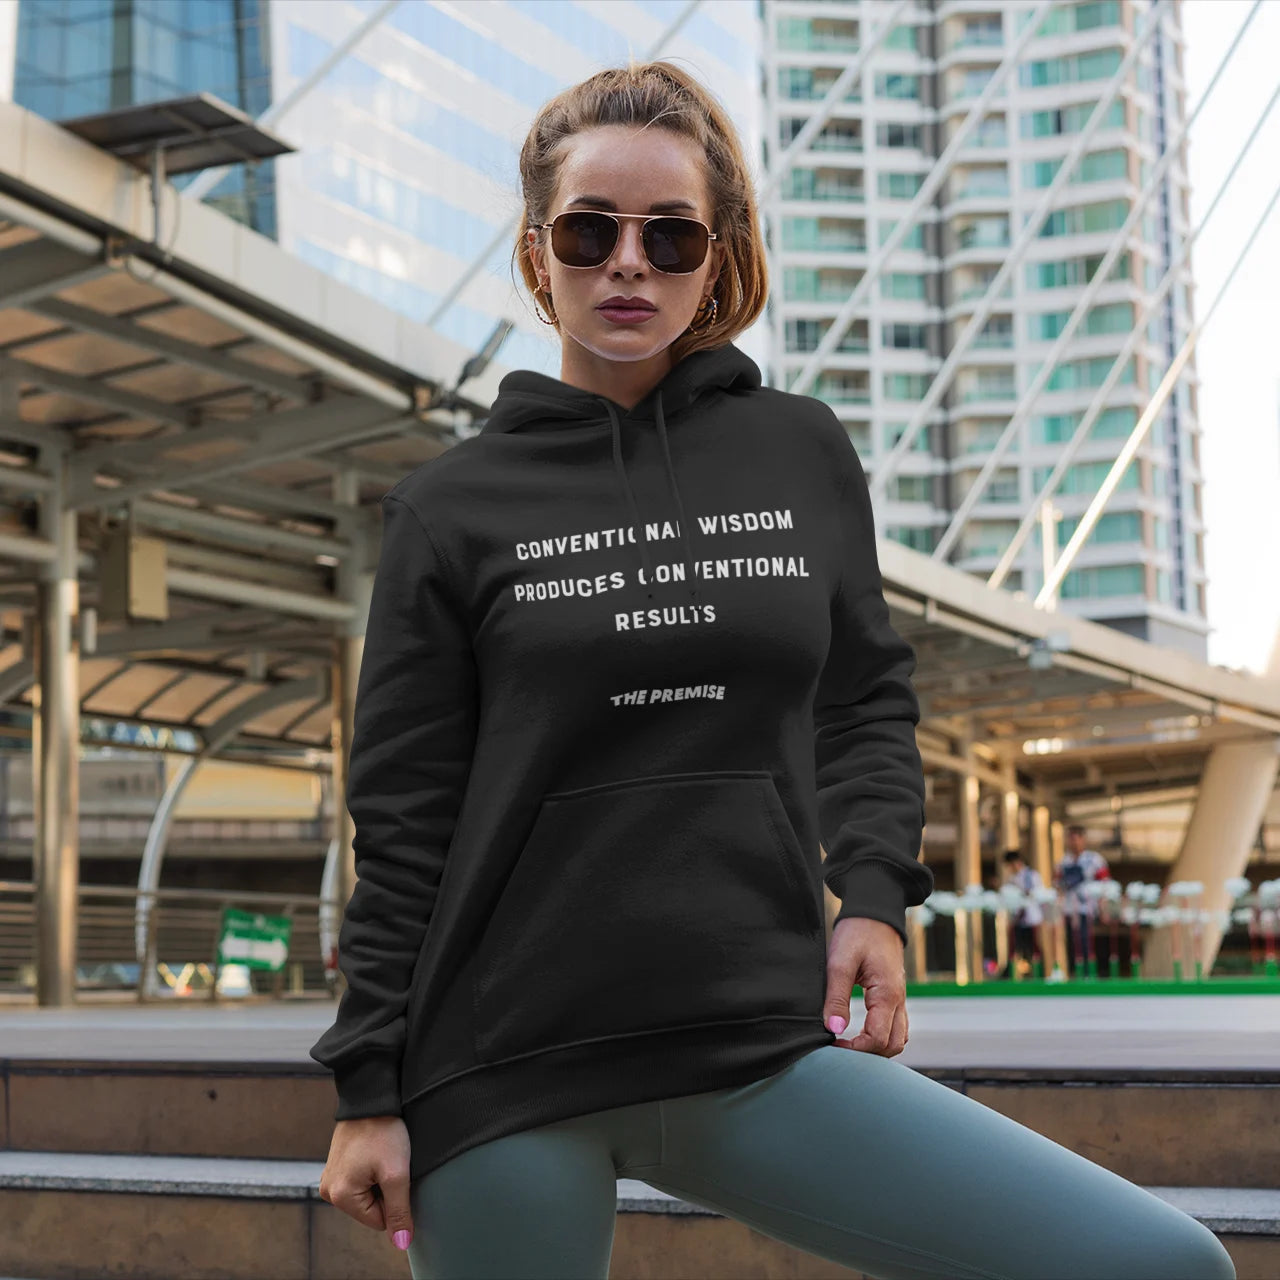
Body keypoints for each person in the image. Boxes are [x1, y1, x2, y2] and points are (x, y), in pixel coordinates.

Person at [310, 61, 1235, 1280]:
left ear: (715, 251)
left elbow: (862, 698)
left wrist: (870, 895)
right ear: (539, 256)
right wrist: (367, 1084)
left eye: (670, 234)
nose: (626, 263)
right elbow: (406, 817)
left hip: (751, 1035)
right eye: (589, 232)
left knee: (1156, 1264)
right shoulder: (449, 507)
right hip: (499, 1065)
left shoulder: (793, 449)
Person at [1056, 825, 1111, 978]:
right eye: (1070, 839)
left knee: (1086, 940)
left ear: (1083, 839)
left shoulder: (1094, 860)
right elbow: (1058, 885)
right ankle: (1074, 971)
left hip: (1087, 907)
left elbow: (1105, 884)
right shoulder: (1064, 861)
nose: (1073, 843)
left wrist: (1103, 908)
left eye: (1076, 839)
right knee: (1070, 941)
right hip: (1068, 908)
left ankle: (1089, 972)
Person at [1001, 849, 1045, 978]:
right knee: (1015, 947)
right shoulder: (1011, 879)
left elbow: (1035, 894)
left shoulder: (1031, 876)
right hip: (1017, 919)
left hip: (1032, 919)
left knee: (1034, 948)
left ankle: (1037, 974)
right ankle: (1014, 974)